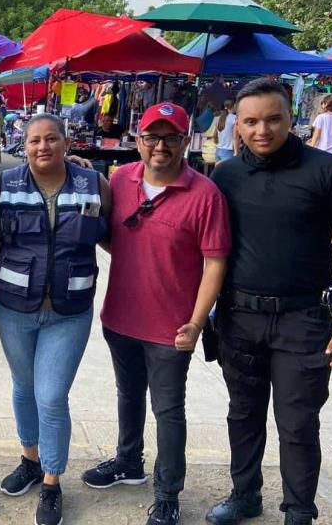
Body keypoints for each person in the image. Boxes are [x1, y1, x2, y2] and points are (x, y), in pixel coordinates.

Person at [207, 79, 332, 525]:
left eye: (274, 119)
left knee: (297, 423)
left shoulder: (328, 171)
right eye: (251, 121)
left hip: (305, 318)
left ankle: (299, 510)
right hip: (239, 317)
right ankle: (245, 494)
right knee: (242, 414)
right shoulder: (225, 176)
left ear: (291, 118)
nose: (263, 130)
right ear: (236, 124)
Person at [81, 102, 231, 525]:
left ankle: (167, 492)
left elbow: (215, 263)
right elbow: (115, 238)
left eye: (170, 138)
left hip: (172, 328)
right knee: (128, 396)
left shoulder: (206, 195)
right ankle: (129, 462)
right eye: (151, 137)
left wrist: (198, 322)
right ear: (139, 140)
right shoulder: (122, 178)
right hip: (120, 317)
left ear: (186, 141)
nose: (159, 146)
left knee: (168, 410)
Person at [0, 113, 111, 525]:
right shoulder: (2, 186)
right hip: (13, 307)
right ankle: (30, 459)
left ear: (65, 140)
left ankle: (53, 481)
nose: (43, 147)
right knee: (24, 386)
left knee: (52, 395)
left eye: (51, 139)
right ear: (22, 145)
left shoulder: (95, 185)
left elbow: (117, 237)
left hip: (69, 311)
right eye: (35, 140)